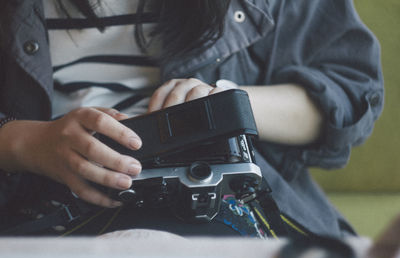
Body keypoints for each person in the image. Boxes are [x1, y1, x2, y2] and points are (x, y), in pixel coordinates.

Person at [0, 0, 383, 238]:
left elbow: (352, 94)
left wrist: (227, 105)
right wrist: (27, 143)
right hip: (47, 212)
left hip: (231, 208)